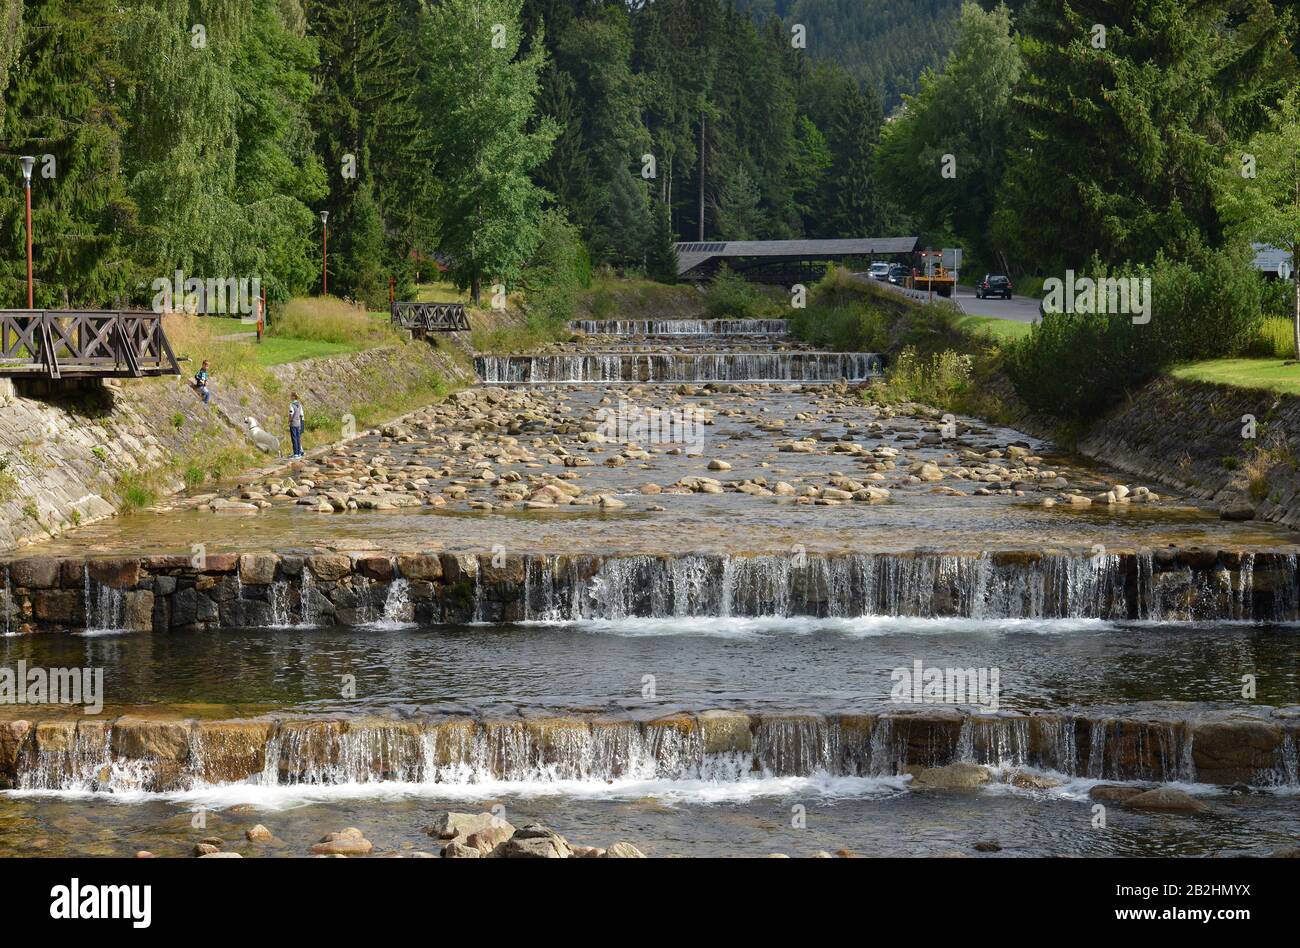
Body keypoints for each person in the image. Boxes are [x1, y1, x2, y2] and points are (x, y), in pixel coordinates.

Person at [288, 392, 305, 459]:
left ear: (293, 397)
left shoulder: (291, 404)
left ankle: (296, 454)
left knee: (294, 438)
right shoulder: (299, 404)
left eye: (291, 396)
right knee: (298, 438)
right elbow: (301, 414)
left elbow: (291, 414)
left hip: (293, 423)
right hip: (298, 423)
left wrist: (289, 421)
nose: (290, 397)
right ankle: (299, 453)